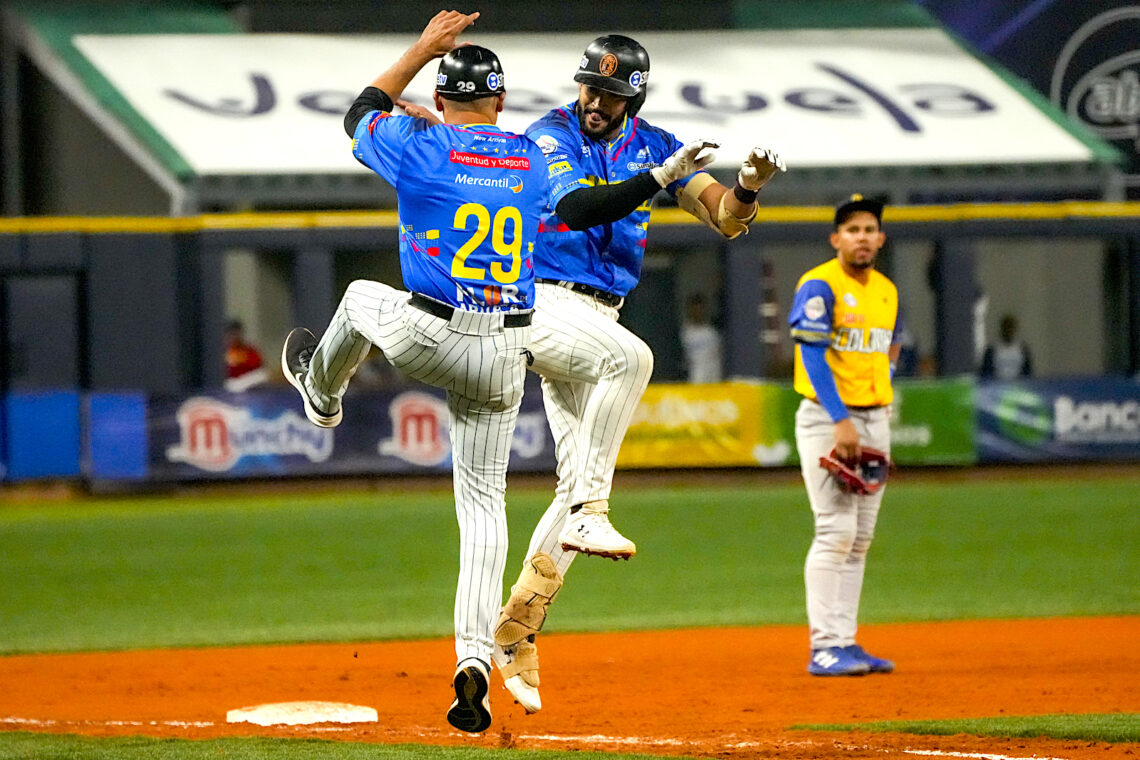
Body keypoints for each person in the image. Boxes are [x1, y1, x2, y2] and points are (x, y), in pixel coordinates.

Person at [491, 34, 786, 714]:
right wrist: (659, 178)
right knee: (635, 356)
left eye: (611, 92)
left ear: (635, 96)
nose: (595, 100)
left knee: (569, 483)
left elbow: (725, 221)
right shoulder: (549, 131)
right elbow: (574, 209)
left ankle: (517, 626)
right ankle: (595, 511)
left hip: (594, 315)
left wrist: (747, 187)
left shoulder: (656, 140)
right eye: (589, 87)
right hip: (542, 302)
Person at [280, 11, 549, 734]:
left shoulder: (416, 144)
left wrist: (422, 52)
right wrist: (463, 136)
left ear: (441, 91)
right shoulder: (530, 156)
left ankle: (323, 393)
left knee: (364, 296)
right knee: (483, 510)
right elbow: (498, 169)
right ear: (499, 100)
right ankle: (473, 662)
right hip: (503, 352)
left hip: (430, 329)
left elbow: (358, 111)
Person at [787, 194, 900, 677]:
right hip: (829, 419)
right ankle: (824, 646)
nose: (862, 237)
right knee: (835, 530)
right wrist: (841, 419)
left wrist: (880, 407)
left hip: (874, 416)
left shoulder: (887, 290)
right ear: (836, 239)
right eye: (852, 230)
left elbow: (887, 351)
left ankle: (845, 642)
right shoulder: (819, 284)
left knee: (861, 538)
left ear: (881, 238)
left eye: (870, 229)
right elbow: (812, 356)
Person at [680, 293, 724, 383]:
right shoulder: (685, 333)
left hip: (713, 374)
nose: (698, 312)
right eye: (695, 309)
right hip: (694, 375)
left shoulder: (712, 332)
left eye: (701, 309)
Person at [980, 313, 1032, 379]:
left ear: (1015, 329)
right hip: (996, 385)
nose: (1008, 330)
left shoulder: (1022, 349)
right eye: (1006, 327)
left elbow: (1028, 372)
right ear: (1002, 329)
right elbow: (985, 372)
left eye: (1011, 328)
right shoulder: (992, 349)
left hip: (1018, 385)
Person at [223, 320, 267, 392]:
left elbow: (260, 371)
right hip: (228, 387)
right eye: (231, 334)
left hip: (249, 387)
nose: (234, 337)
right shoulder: (222, 351)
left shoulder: (250, 350)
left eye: (236, 333)